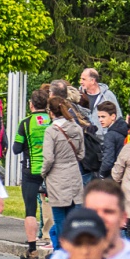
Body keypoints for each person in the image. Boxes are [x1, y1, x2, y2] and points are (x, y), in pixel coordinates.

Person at [13, 89, 52, 259]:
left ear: (31, 105)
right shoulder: (53, 121)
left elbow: (16, 148)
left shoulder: (25, 123)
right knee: (53, 205)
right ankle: (52, 243)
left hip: (30, 170)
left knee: (30, 210)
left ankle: (32, 250)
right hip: (50, 170)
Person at [43, 96, 86, 250]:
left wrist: (43, 173)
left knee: (60, 217)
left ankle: (62, 251)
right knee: (74, 217)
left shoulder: (51, 131)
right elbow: (81, 154)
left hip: (57, 176)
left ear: (51, 112)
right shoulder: (76, 128)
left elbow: (48, 158)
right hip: (74, 173)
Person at [81, 68, 121, 132]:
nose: (81, 82)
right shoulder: (79, 96)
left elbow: (118, 117)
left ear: (92, 81)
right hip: (86, 138)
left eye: (83, 79)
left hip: (104, 138)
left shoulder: (108, 95)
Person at [98, 101, 127, 180]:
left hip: (114, 174)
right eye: (99, 117)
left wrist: (101, 174)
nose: (100, 120)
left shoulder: (110, 135)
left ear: (113, 116)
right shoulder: (124, 129)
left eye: (103, 117)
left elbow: (108, 160)